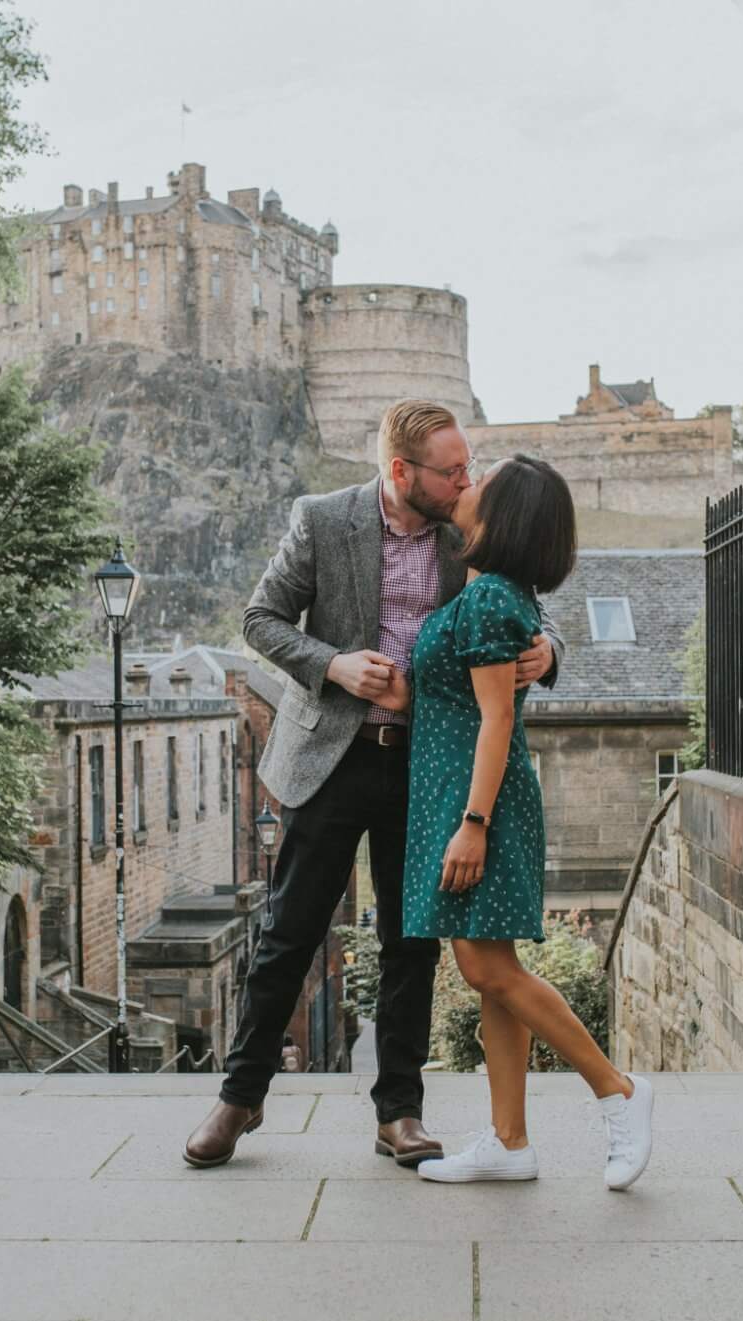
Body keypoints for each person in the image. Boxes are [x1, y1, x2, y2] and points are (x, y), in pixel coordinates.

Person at [184, 400, 564, 1170]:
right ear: (401, 471)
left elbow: (533, 606)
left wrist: (549, 652)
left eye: (468, 467)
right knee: (290, 928)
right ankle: (240, 1094)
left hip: (428, 762)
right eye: (450, 470)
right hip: (333, 752)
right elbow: (259, 619)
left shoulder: (471, 528)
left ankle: (400, 1111)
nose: (466, 481)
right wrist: (334, 664)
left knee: (410, 940)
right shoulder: (323, 519)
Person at [373, 454, 655, 1189]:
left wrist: (473, 822)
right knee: (492, 973)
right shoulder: (485, 592)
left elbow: (499, 717)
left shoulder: (495, 598)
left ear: (505, 517)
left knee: (485, 966)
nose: (467, 485)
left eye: (482, 482)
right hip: (456, 798)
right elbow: (459, 700)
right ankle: (509, 1138)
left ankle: (618, 1091)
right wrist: (399, 690)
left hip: (479, 804)